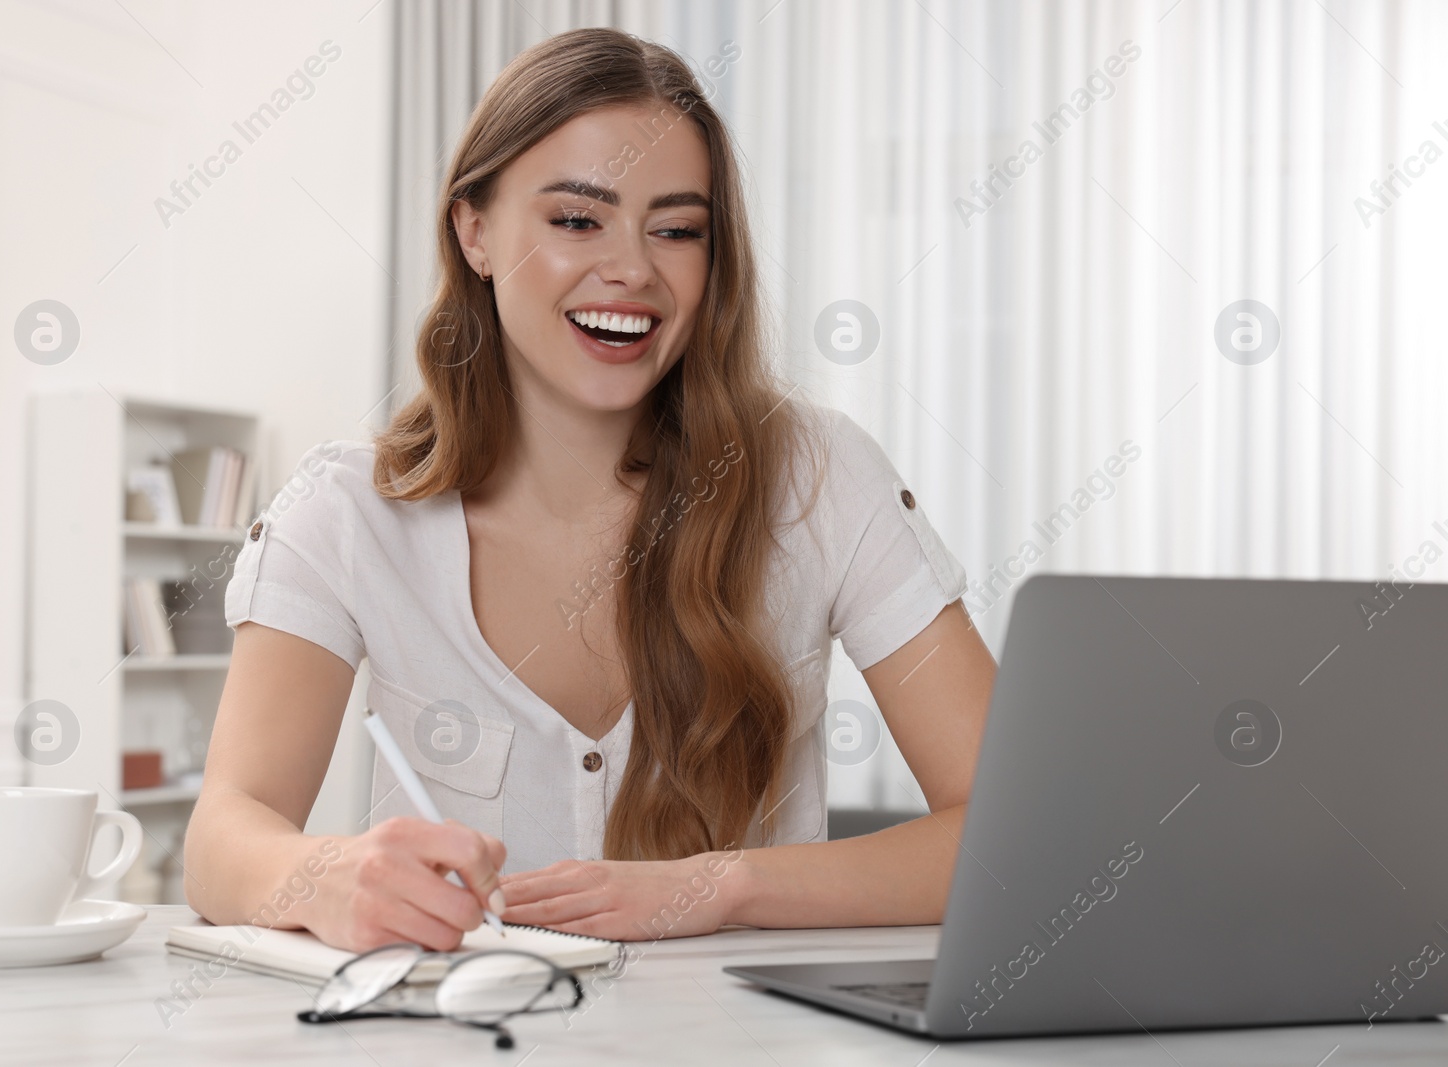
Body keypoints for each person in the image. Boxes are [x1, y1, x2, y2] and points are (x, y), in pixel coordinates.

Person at [184, 26, 995, 954]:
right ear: (475, 231)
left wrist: (716, 886)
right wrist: (327, 875)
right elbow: (223, 833)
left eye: (677, 230)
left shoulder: (820, 478)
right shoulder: (347, 513)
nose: (633, 270)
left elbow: (1007, 832)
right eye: (577, 220)